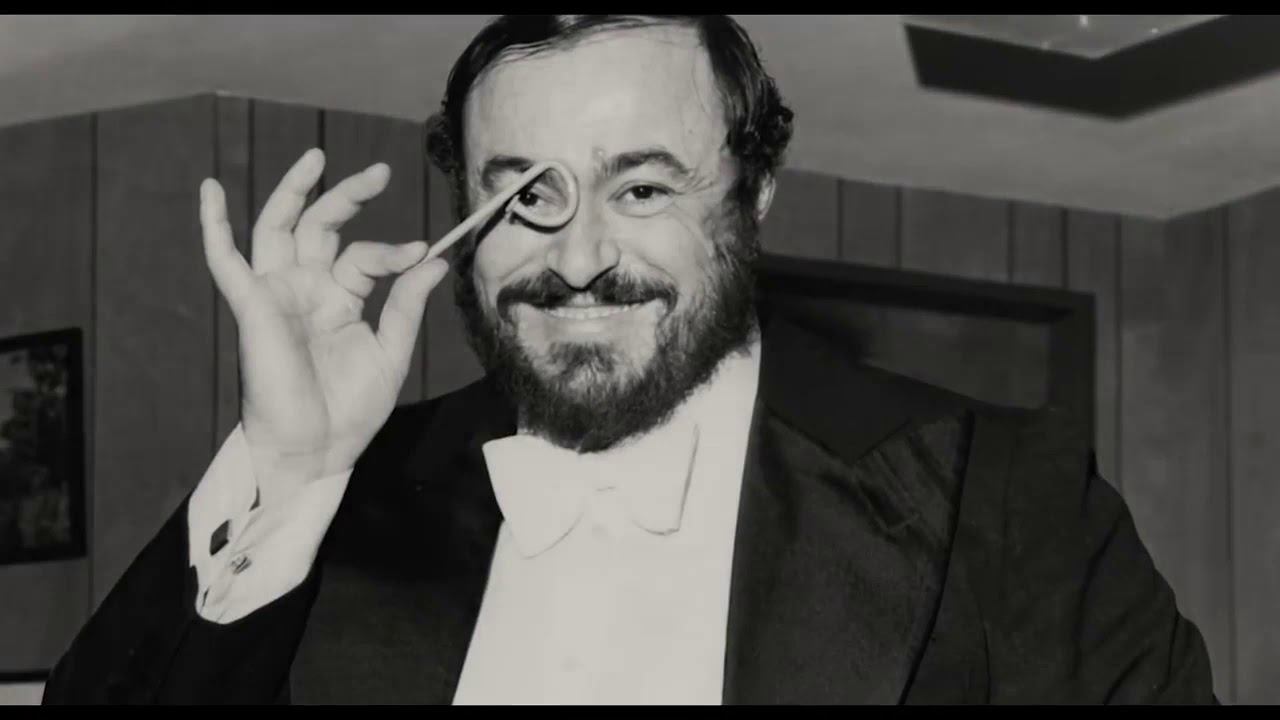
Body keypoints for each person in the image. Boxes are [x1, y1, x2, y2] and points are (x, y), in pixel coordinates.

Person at [42, 14, 1217, 705]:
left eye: (642, 189)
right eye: (524, 195)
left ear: (752, 193)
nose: (579, 258)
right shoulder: (339, 503)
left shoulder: (1004, 503)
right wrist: (289, 470)